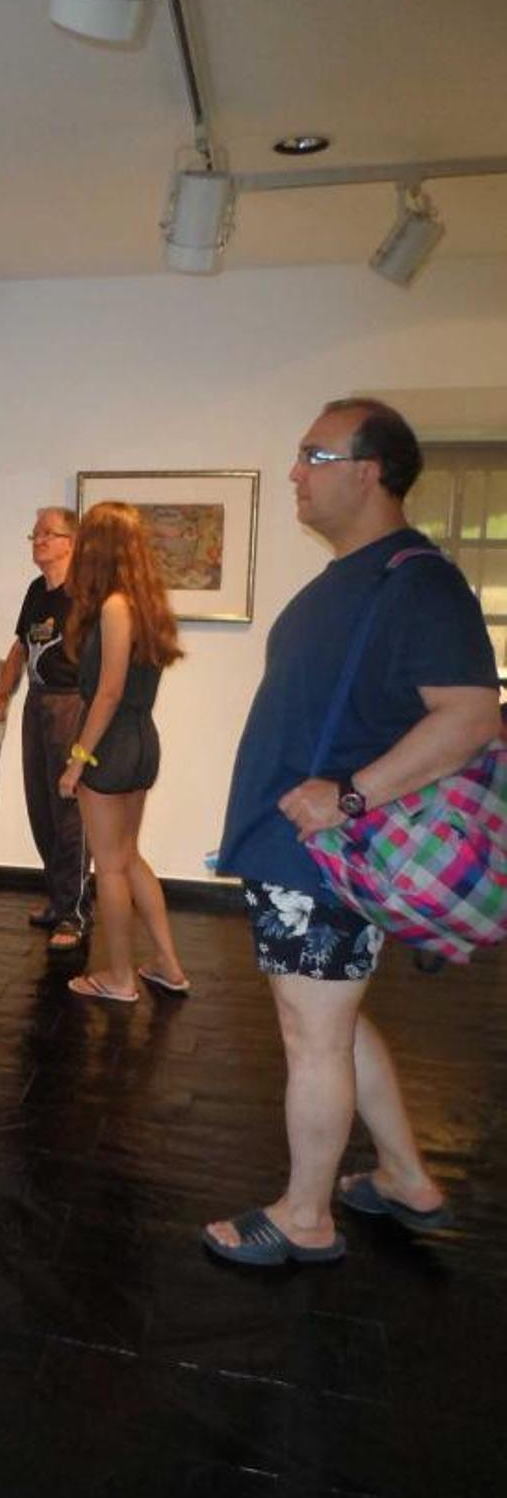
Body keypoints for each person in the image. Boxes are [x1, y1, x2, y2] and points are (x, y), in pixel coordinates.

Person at [204, 398, 500, 1266]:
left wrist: (352, 797)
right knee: (332, 1020)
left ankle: (305, 1217)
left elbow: (473, 717)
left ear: (368, 471)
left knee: (313, 1035)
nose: (294, 472)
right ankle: (407, 1178)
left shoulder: (417, 580)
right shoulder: (359, 576)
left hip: (322, 857)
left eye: (312, 455)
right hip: (295, 851)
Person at [56, 501, 188, 1001]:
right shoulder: (142, 603)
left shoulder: (113, 606)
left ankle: (117, 977)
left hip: (110, 746)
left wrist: (77, 761)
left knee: (108, 866)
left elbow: (107, 692)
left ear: (100, 546)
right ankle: (167, 966)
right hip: (141, 740)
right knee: (129, 858)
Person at [0, 507, 89, 951]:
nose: (39, 540)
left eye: (49, 533)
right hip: (37, 703)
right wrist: (3, 692)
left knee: (71, 812)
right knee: (41, 806)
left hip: (71, 705)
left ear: (72, 542)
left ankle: (74, 912)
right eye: (36, 533)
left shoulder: (85, 594)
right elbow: (18, 648)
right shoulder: (36, 591)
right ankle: (58, 897)